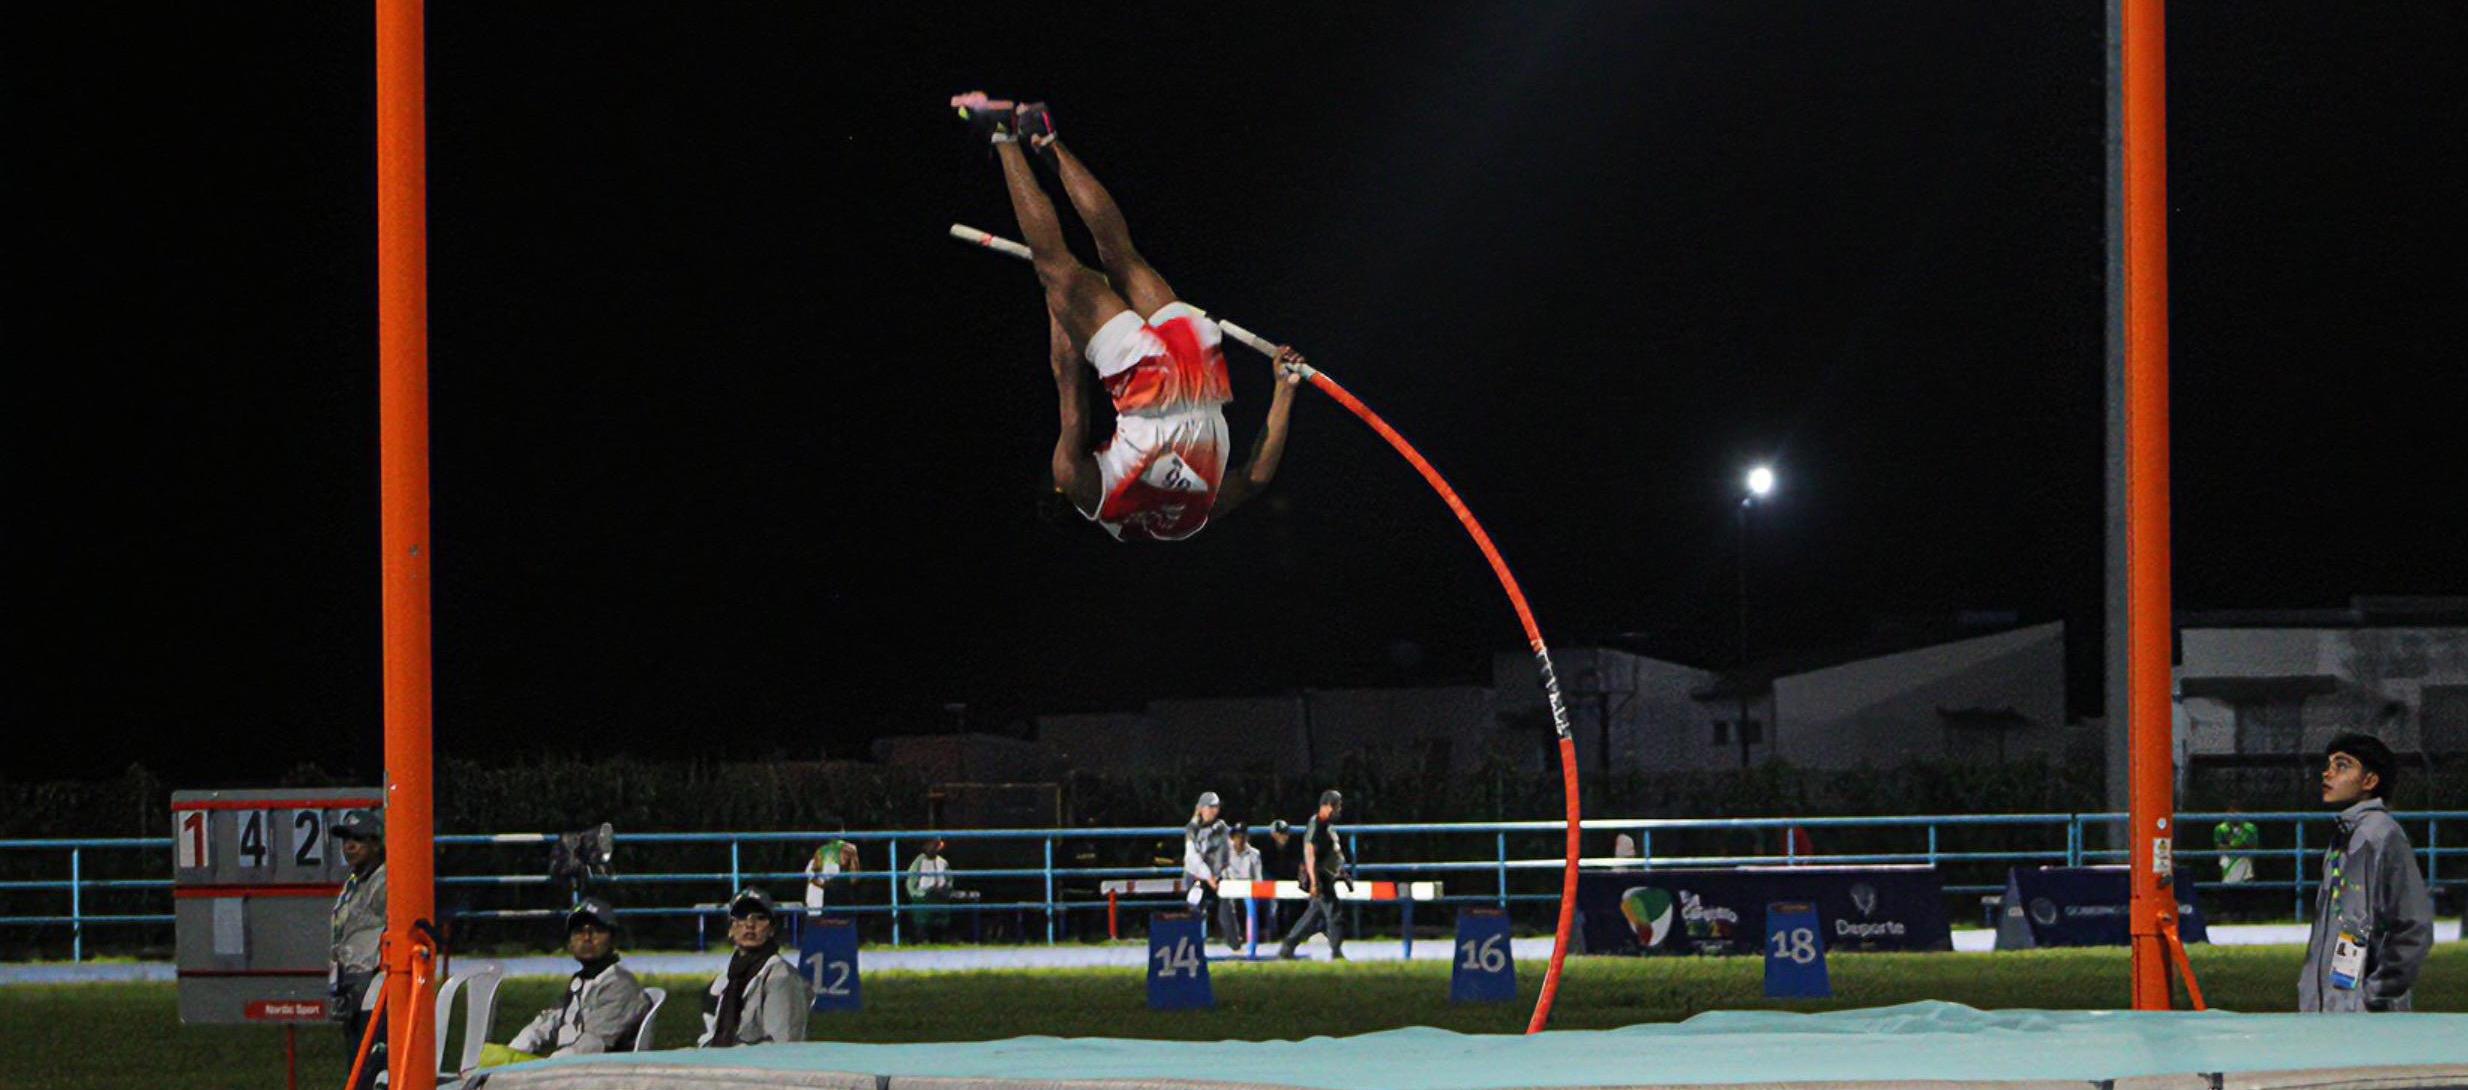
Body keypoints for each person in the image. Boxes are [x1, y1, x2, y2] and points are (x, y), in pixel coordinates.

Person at [953, 93, 1305, 542]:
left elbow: (1254, 479)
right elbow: (1070, 391)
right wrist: (1058, 302)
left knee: (1119, 261)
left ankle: (1042, 139)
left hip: (1200, 374)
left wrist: (1283, 389)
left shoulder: (1188, 523)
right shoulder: (1082, 488)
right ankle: (1011, 135)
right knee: (1065, 264)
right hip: (1148, 384)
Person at [2299, 733, 2434, 1013]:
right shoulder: (2346, 835)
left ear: (2370, 781)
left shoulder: (2380, 835)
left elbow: (2413, 923)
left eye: (2343, 765)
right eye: (2329, 764)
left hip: (2365, 1017)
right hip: (2333, 1008)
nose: (2328, 772)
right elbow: (2346, 922)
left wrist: (2377, 994)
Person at [500, 898, 654, 1060]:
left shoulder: (621, 986)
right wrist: (511, 1051)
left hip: (599, 1074)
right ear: (569, 943)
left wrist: (546, 1066)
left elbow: (592, 1044)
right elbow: (548, 1023)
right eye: (579, 931)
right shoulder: (579, 982)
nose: (586, 937)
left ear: (613, 939)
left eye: (596, 930)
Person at [698, 888, 809, 1046]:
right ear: (730, 929)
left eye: (760, 918)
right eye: (742, 917)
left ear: (771, 929)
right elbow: (712, 1033)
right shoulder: (724, 980)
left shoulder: (781, 977)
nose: (750, 924)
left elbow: (783, 1046)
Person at [329, 808, 388, 1088]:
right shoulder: (356, 881)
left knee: (370, 1071)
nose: (349, 846)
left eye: (358, 839)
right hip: (352, 984)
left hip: (374, 985)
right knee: (357, 1066)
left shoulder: (386, 880)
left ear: (376, 843)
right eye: (345, 840)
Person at [1276, 790, 1350, 960]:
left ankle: (1288, 946)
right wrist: (1314, 881)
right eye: (1338, 806)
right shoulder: (1316, 824)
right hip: (1319, 875)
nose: (1339, 810)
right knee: (1334, 912)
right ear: (1329, 806)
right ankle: (1336, 952)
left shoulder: (1324, 826)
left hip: (1324, 874)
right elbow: (1310, 853)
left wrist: (1339, 871)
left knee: (1313, 914)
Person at [1182, 793, 1232, 943]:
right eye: (1211, 807)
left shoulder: (1221, 827)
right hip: (1196, 873)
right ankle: (1194, 940)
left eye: (1216, 807)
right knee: (1194, 902)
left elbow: (1224, 852)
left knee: (1226, 902)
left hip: (1217, 873)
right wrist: (1207, 876)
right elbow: (1192, 856)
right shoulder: (1192, 828)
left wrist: (1218, 874)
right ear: (1202, 808)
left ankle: (1230, 938)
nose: (1214, 811)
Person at [1219, 823, 1264, 951]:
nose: (1240, 839)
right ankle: (1234, 942)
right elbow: (1223, 873)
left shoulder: (1254, 853)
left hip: (1248, 887)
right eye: (1237, 836)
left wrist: (1256, 890)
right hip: (1231, 885)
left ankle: (1253, 943)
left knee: (1252, 907)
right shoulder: (1225, 852)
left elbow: (1258, 876)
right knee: (1225, 909)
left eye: (1243, 836)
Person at [905, 837, 953, 942]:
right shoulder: (919, 861)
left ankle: (939, 937)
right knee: (922, 918)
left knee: (941, 919)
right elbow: (911, 880)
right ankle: (922, 938)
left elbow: (949, 880)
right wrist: (916, 894)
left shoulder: (942, 862)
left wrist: (946, 890)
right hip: (924, 895)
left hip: (939, 895)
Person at [804, 830, 860, 916]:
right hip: (826, 897)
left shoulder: (848, 850)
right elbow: (812, 878)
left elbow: (854, 879)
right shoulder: (821, 852)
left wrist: (853, 857)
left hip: (841, 897)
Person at [2214, 804, 2261, 885]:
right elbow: (2221, 848)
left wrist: (2233, 846)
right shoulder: (2220, 828)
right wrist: (2241, 846)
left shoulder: (2251, 828)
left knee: (2246, 858)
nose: (2234, 815)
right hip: (2228, 861)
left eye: (2236, 812)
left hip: (2245, 862)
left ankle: (2247, 879)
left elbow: (2253, 848)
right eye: (2231, 812)